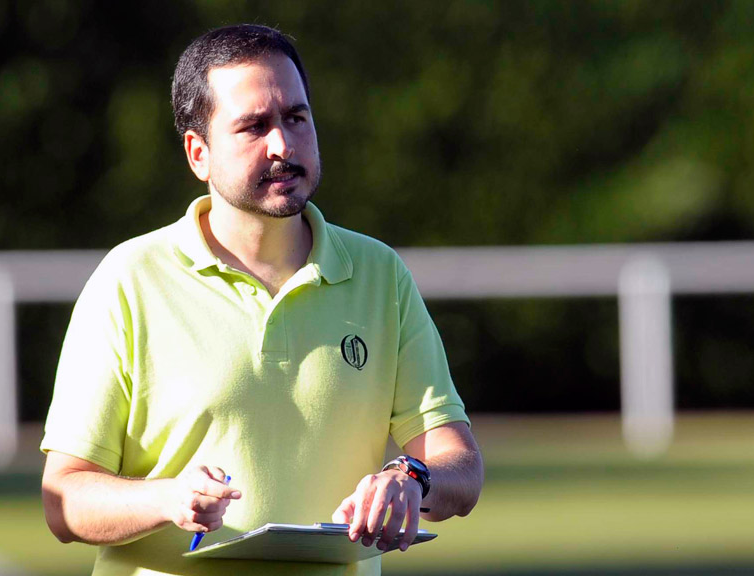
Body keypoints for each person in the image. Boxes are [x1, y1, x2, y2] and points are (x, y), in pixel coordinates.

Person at [40, 24, 483, 576]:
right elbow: (65, 499)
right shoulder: (129, 278)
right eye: (253, 127)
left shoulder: (380, 273)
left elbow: (459, 467)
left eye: (296, 118)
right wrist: (166, 499)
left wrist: (410, 480)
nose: (283, 144)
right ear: (198, 153)